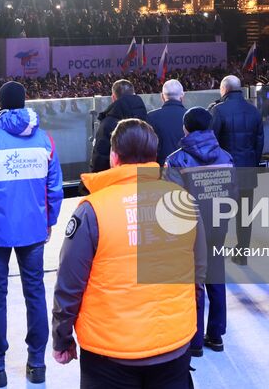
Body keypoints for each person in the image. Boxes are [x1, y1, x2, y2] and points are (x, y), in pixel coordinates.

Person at [51, 118, 201, 386]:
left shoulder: (93, 210)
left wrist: (62, 336)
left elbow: (70, 283)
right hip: (174, 344)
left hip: (110, 353)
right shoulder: (183, 202)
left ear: (114, 156)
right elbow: (199, 272)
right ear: (154, 156)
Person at [0, 81, 64, 387]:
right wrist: (49, 222)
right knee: (35, 293)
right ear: (25, 105)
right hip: (33, 231)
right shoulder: (45, 141)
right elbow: (55, 188)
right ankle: (37, 364)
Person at [164, 106, 235, 356]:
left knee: (193, 282)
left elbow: (173, 201)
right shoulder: (226, 157)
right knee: (216, 278)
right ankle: (215, 336)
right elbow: (233, 195)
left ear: (185, 128)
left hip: (190, 233)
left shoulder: (176, 160)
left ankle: (193, 341)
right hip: (217, 226)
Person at [210, 73, 264, 263]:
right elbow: (259, 143)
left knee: (220, 215)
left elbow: (212, 142)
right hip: (247, 168)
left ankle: (216, 254)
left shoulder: (218, 111)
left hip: (224, 171)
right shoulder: (253, 110)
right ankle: (242, 254)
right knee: (245, 215)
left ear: (224, 89)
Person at [89, 78, 147, 173]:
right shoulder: (148, 120)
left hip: (118, 181)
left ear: (113, 97)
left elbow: (99, 160)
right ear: (134, 95)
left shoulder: (107, 125)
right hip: (145, 181)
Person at [148, 79, 188, 167]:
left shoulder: (150, 117)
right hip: (187, 171)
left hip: (159, 172)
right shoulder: (192, 116)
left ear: (162, 97)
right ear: (182, 96)